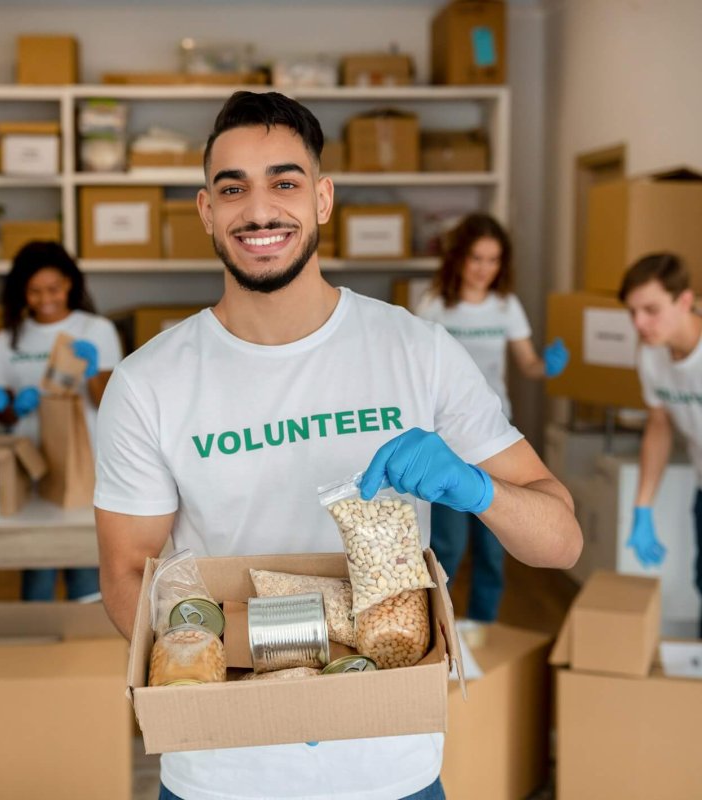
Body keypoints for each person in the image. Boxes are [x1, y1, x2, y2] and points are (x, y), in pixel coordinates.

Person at [94, 91, 582, 800]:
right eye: (233, 189)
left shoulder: (420, 353)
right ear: (206, 211)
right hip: (224, 771)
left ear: (322, 198)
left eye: (285, 183)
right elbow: (126, 578)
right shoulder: (148, 383)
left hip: (390, 767)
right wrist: (280, 676)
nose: (259, 210)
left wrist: (478, 490)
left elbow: (561, 542)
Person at [414, 213, 569, 622]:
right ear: (460, 258)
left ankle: (483, 633)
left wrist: (546, 367)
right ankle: (438, 632)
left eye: (494, 260)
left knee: (492, 550)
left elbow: (528, 364)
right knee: (445, 547)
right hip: (445, 441)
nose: (484, 269)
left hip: (495, 441)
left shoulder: (506, 306)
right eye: (477, 258)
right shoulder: (434, 305)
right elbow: (417, 374)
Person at [0, 240, 122, 601]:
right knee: (38, 571)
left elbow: (110, 404)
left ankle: (85, 651)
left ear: (70, 284)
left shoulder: (96, 330)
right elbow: (3, 415)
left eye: (54, 288)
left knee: (86, 573)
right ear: (22, 292)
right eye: (36, 291)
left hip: (84, 466)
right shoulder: (8, 338)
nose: (47, 299)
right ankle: (37, 650)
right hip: (32, 466)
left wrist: (92, 372)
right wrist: (7, 404)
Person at [619, 252, 702, 635]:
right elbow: (659, 423)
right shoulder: (651, 355)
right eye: (633, 312)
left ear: (684, 300)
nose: (639, 323)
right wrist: (643, 507)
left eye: (651, 310)